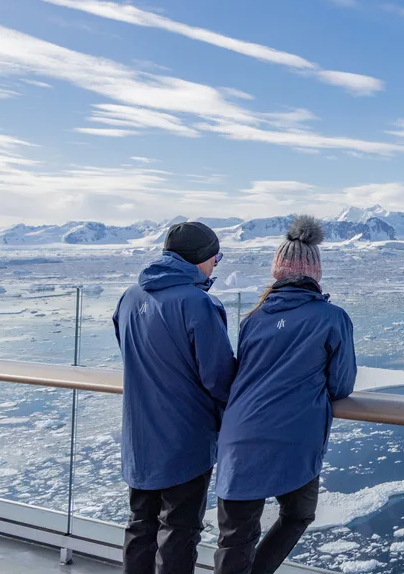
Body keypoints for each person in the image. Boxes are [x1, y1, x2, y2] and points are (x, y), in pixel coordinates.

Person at [214, 215, 357, 574]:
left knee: (234, 537)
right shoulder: (330, 317)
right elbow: (341, 385)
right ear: (315, 273)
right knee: (298, 513)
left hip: (239, 435)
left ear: (277, 271)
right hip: (294, 437)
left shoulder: (255, 317)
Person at [113, 221, 236, 574]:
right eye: (216, 257)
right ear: (200, 258)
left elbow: (132, 355)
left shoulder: (130, 297)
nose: (216, 265)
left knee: (141, 525)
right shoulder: (198, 303)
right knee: (179, 531)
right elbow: (218, 378)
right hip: (186, 439)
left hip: (140, 436)